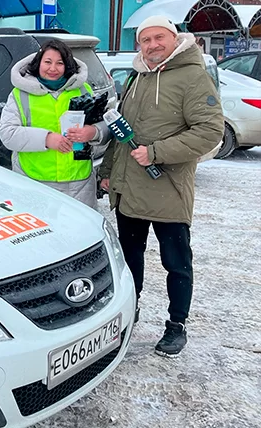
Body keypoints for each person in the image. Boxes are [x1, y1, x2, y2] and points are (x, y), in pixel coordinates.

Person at [98, 16, 223, 357]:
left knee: (176, 263)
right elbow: (122, 133)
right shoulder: (138, 76)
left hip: (168, 190)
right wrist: (107, 172)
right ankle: (129, 312)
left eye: (159, 37)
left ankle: (176, 325)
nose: (152, 45)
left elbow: (210, 132)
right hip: (130, 191)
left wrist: (156, 153)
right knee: (129, 260)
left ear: (174, 38)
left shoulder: (193, 77)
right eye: (145, 39)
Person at [0, 39, 110, 208]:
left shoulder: (83, 89)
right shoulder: (20, 94)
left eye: (60, 63)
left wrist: (93, 132)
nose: (53, 68)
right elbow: (7, 134)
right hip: (34, 180)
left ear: (68, 65)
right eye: (48, 62)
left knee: (80, 232)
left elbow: (105, 125)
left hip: (79, 182)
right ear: (38, 63)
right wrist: (47, 139)